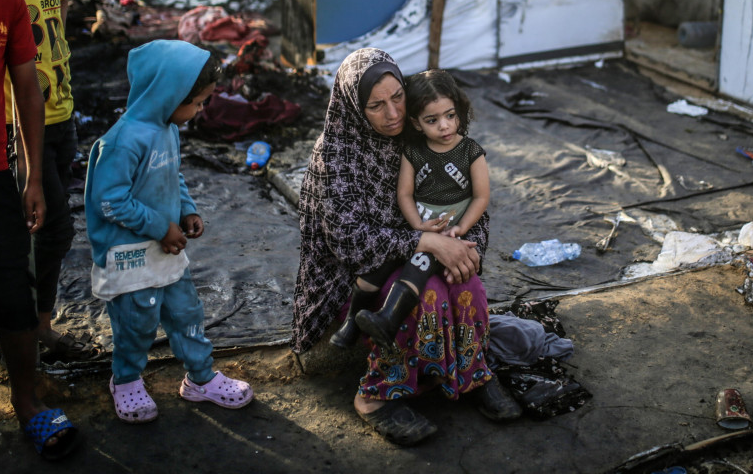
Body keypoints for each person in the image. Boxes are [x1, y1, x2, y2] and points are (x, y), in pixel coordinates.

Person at [290, 48, 520, 447]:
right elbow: (349, 242)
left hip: (422, 254)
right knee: (425, 295)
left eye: (398, 97)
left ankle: (470, 373)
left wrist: (467, 248)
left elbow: (469, 200)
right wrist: (425, 240)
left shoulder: (421, 134)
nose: (393, 113)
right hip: (354, 279)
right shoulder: (337, 154)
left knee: (468, 286)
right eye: (376, 105)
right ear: (354, 106)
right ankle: (377, 395)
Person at [85, 40, 253, 423]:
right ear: (167, 93)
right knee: (136, 322)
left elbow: (172, 176)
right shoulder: (122, 141)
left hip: (166, 250)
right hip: (130, 256)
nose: (200, 110)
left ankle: (201, 378)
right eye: (196, 102)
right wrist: (162, 226)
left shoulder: (167, 129)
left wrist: (187, 210)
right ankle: (126, 381)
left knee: (186, 312)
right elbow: (109, 201)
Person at [0, 0, 96, 362]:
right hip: (17, 123)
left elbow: (61, 23)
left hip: (61, 116)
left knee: (50, 225)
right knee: (45, 225)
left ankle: (39, 322)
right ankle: (19, 325)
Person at [0, 0, 80, 459]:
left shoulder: (4, 3)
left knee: (10, 289)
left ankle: (25, 401)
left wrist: (33, 175)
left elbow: (27, 89)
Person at [333, 69, 490, 351]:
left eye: (450, 116)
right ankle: (352, 324)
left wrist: (460, 230)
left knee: (418, 267)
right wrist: (417, 227)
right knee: (375, 269)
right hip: (414, 228)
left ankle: (387, 320)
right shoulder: (412, 151)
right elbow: (404, 193)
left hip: (445, 229)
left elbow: (480, 197)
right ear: (417, 123)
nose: (444, 126)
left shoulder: (470, 151)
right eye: (432, 120)